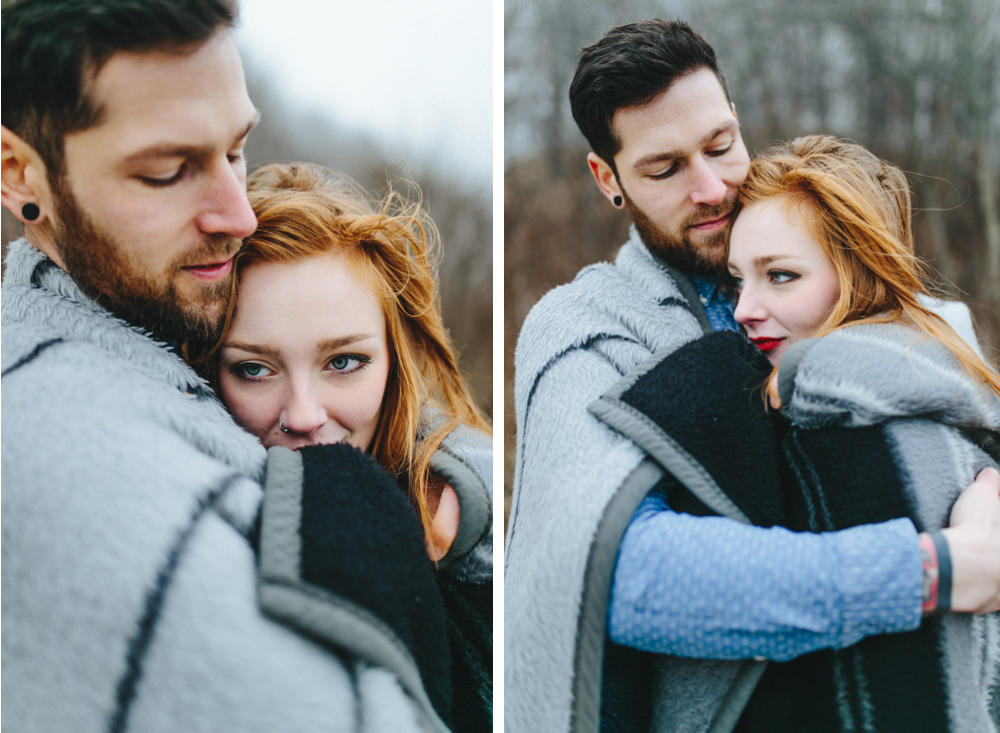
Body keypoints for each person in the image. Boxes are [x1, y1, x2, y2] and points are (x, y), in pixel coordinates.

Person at [1, 2, 486, 731]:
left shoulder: (157, 313)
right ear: (17, 174)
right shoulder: (59, 449)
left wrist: (454, 481)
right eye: (169, 171)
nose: (239, 214)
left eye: (235, 151)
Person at [505, 18, 1000, 732]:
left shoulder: (892, 305)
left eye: (719, 146)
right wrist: (929, 569)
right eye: (665, 168)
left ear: (737, 121)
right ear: (607, 178)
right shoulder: (587, 326)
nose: (712, 188)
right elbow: (619, 574)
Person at [620, 133, 1000, 731]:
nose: (743, 308)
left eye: (781, 276)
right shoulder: (940, 385)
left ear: (859, 274)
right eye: (739, 279)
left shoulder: (859, 428)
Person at [200, 161, 493, 731]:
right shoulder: (187, 539)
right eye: (255, 369)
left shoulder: (476, 527)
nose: (305, 417)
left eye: (344, 363)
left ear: (393, 362)